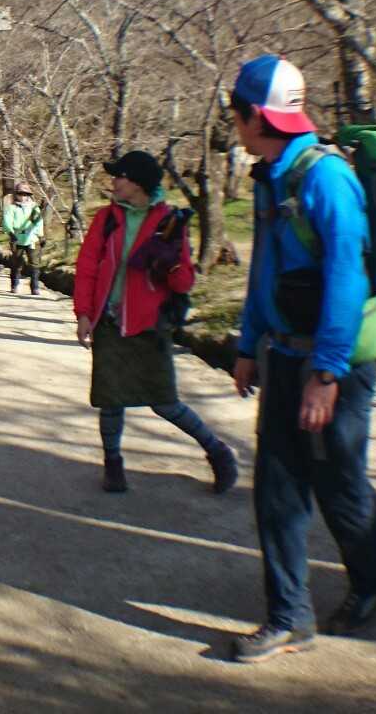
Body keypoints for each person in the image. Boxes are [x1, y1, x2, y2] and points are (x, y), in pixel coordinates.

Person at [227, 55, 376, 664]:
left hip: (331, 368)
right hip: (284, 357)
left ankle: (371, 584)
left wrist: (325, 373)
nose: (234, 125)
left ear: (253, 115)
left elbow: (348, 277)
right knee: (277, 490)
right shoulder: (271, 176)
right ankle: (290, 617)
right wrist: (248, 346)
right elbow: (264, 271)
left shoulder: (326, 177)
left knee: (339, 485)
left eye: (236, 114)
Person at [73, 150, 237, 496]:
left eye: (120, 175)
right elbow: (87, 266)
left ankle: (217, 451)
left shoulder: (170, 220)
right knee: (110, 399)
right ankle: (113, 464)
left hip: (150, 326)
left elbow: (184, 282)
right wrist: (84, 313)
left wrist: (171, 263)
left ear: (137, 182)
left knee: (164, 401)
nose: (114, 181)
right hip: (109, 322)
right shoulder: (107, 218)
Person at [2, 183, 45, 294]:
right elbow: (7, 221)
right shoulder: (11, 208)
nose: (22, 196)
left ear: (28, 195)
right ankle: (15, 285)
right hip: (17, 238)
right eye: (20, 194)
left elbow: (38, 222)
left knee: (34, 263)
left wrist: (41, 236)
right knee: (16, 263)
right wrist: (10, 233)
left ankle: (35, 287)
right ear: (16, 194)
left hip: (32, 238)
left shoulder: (34, 207)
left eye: (25, 194)